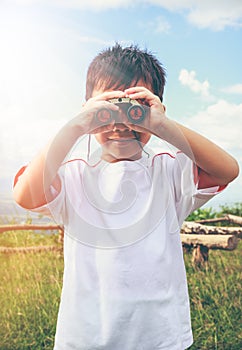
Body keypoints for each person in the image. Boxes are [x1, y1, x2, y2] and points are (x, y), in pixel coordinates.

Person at [13, 44, 239, 350]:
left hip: (161, 337)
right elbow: (25, 195)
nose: (121, 124)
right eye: (106, 111)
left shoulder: (168, 172)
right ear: (88, 110)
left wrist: (161, 126)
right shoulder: (74, 175)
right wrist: (77, 125)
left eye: (135, 110)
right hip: (85, 338)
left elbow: (227, 169)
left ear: (157, 109)